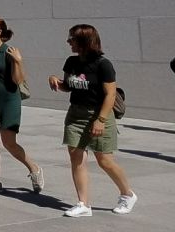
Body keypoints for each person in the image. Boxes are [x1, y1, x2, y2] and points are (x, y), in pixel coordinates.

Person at [49, 24, 137, 217]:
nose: (68, 42)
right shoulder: (71, 62)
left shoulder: (102, 64)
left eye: (72, 38)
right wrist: (57, 81)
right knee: (76, 156)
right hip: (75, 115)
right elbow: (70, 86)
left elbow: (110, 94)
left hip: (98, 114)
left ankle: (127, 194)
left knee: (104, 160)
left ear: (84, 41)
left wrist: (101, 120)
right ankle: (83, 204)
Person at [0, 18, 43, 193]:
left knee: (9, 142)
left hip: (9, 100)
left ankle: (34, 168)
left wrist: (18, 61)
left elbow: (17, 80)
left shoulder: (10, 51)